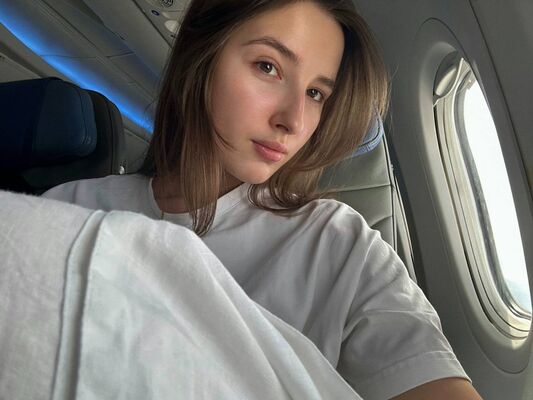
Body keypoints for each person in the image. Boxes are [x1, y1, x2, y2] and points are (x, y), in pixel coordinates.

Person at [43, 1, 483, 399]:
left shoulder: (342, 246)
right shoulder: (71, 210)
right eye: (268, 67)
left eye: (316, 93)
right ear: (201, 56)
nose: (294, 120)